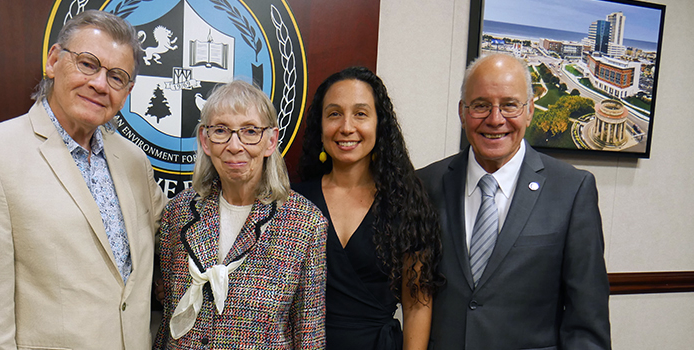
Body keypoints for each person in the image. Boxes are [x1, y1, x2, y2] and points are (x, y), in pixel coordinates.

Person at [0, 10, 166, 349]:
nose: (100, 84)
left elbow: (175, 243)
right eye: (88, 64)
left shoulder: (133, 161)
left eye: (117, 77)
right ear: (54, 61)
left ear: (128, 90)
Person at [417, 53, 611, 349]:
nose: (495, 120)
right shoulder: (425, 185)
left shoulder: (572, 190)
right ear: (462, 112)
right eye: (480, 105)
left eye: (509, 105)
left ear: (530, 110)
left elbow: (586, 322)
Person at [154, 80, 327, 349]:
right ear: (205, 140)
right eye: (221, 130)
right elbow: (168, 322)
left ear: (270, 141)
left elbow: (309, 335)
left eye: (250, 131)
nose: (235, 146)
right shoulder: (177, 214)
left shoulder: (306, 223)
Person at [293, 66, 443, 350]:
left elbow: (416, 306)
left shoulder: (407, 204)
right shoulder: (294, 202)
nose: (347, 127)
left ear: (379, 125)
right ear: (320, 126)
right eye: (334, 113)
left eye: (360, 114)